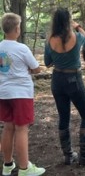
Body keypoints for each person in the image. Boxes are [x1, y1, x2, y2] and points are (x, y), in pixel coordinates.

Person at [44, 7, 85, 166]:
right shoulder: (77, 37)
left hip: (57, 80)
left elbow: (47, 63)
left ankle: (68, 155)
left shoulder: (50, 39)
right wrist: (77, 26)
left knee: (64, 117)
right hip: (74, 80)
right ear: (68, 21)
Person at [0, 13, 45, 176]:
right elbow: (36, 68)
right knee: (21, 129)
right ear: (17, 29)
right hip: (21, 93)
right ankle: (25, 168)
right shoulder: (21, 48)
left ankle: (7, 165)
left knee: (8, 126)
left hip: (3, 92)